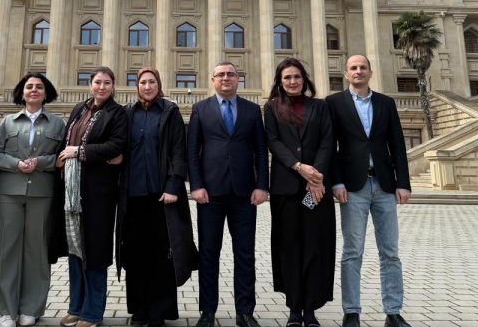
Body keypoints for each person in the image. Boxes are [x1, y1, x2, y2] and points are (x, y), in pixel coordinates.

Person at [326, 55, 412, 327]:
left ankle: (393, 311)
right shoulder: (334, 103)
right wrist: (336, 182)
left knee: (390, 252)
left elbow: (397, 144)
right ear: (346, 73)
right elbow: (330, 147)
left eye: (363, 67)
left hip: (384, 185)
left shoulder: (385, 103)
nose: (359, 71)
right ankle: (351, 311)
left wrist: (403, 182)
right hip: (352, 187)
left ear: (370, 72)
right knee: (352, 251)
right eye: (354, 68)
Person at [187, 61, 269, 327]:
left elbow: (260, 150)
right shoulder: (200, 109)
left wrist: (262, 186)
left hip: (245, 194)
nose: (226, 78)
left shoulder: (252, 110)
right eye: (221, 74)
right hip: (209, 194)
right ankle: (207, 312)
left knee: (245, 254)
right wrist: (196, 185)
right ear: (212, 80)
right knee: (209, 253)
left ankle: (245, 311)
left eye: (231, 74)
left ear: (237, 79)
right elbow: (192, 152)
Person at [116, 67, 198, 327]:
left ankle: (159, 312)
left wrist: (174, 186)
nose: (147, 86)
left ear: (159, 85)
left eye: (152, 82)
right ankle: (138, 310)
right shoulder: (128, 113)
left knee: (162, 255)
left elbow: (178, 150)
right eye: (142, 82)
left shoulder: (169, 111)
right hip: (133, 194)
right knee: (135, 254)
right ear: (136, 86)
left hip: (162, 196)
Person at [264, 58, 335, 327]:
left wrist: (316, 177)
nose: (292, 81)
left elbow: (328, 141)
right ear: (280, 82)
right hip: (286, 190)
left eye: (296, 77)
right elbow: (273, 141)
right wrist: (298, 167)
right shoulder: (271, 108)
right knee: (290, 247)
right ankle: (294, 308)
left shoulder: (320, 106)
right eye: (287, 78)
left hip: (314, 191)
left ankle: (311, 308)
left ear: (304, 79)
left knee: (315, 247)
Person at [0, 73, 66, 327]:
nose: (34, 90)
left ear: (46, 93)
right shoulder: (7, 122)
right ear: (21, 93)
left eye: (39, 87)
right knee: (7, 251)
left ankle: (31, 308)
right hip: (8, 194)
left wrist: (40, 162)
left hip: (42, 193)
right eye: (29, 87)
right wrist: (16, 164)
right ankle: (7, 311)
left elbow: (60, 157)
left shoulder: (58, 124)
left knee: (37, 251)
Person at [58, 66, 128, 327]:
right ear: (90, 84)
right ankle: (76, 306)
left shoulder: (117, 113)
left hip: (99, 193)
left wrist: (79, 151)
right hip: (73, 191)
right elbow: (65, 141)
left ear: (113, 86)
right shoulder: (80, 109)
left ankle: (92, 312)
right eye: (98, 82)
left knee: (95, 251)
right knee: (75, 249)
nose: (102, 87)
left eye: (107, 83)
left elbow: (116, 145)